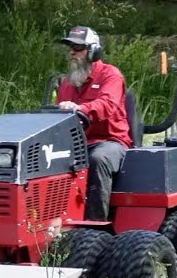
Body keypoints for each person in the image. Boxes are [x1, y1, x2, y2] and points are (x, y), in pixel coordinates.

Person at [55, 25, 131, 221]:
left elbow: (107, 105)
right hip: (77, 144)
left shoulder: (110, 75)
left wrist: (79, 109)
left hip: (110, 141)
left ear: (93, 52)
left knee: (98, 159)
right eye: (70, 47)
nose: (72, 52)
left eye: (78, 48)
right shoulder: (66, 83)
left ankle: (95, 225)